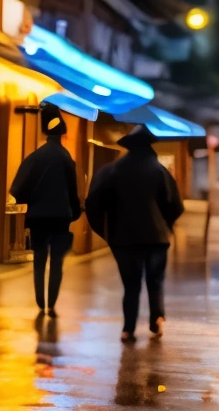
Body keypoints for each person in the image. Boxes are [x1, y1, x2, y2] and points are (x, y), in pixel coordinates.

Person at [86, 124, 183, 342]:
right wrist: (165, 225)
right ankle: (156, 320)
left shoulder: (112, 170)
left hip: (124, 238)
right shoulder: (159, 171)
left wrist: (106, 232)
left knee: (131, 285)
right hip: (156, 238)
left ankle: (128, 329)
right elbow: (175, 204)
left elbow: (93, 202)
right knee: (155, 281)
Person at [10, 101, 81, 317]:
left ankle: (40, 301)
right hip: (61, 216)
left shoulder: (36, 157)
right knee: (57, 261)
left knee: (39, 257)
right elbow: (72, 189)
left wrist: (29, 200)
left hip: (38, 216)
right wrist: (74, 211)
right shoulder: (66, 158)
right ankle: (52, 302)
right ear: (62, 134)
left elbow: (18, 187)